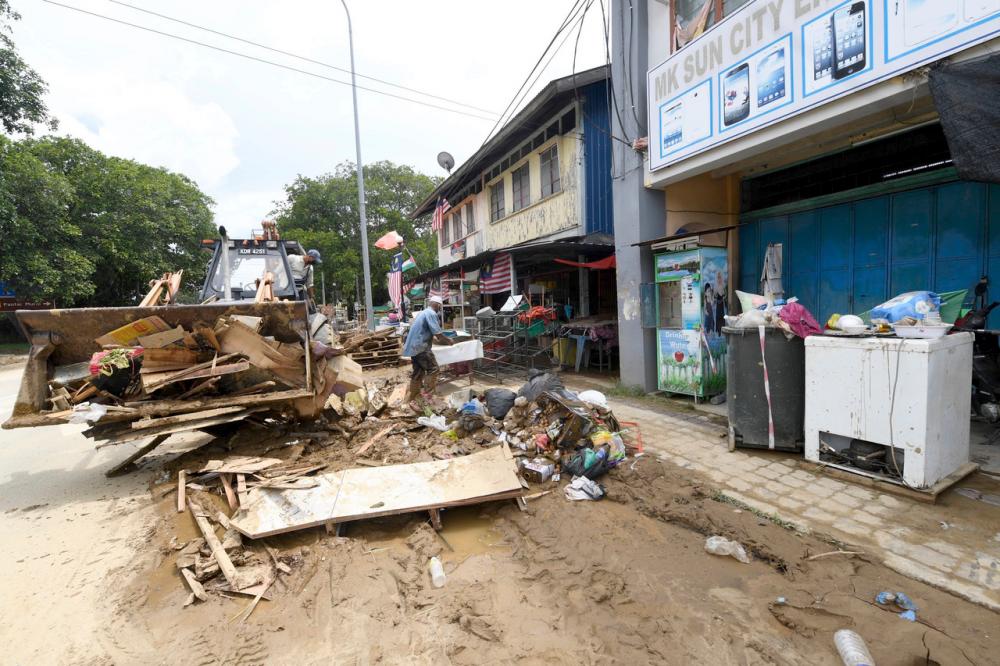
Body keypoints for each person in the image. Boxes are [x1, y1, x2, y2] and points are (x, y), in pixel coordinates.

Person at [403, 295, 454, 404]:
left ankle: (412, 397)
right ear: (437, 305)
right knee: (433, 369)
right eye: (440, 306)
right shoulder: (431, 313)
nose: (440, 308)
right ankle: (429, 396)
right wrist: (449, 341)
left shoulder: (423, 312)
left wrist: (437, 340)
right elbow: (438, 334)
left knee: (418, 372)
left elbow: (430, 333)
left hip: (413, 347)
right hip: (420, 347)